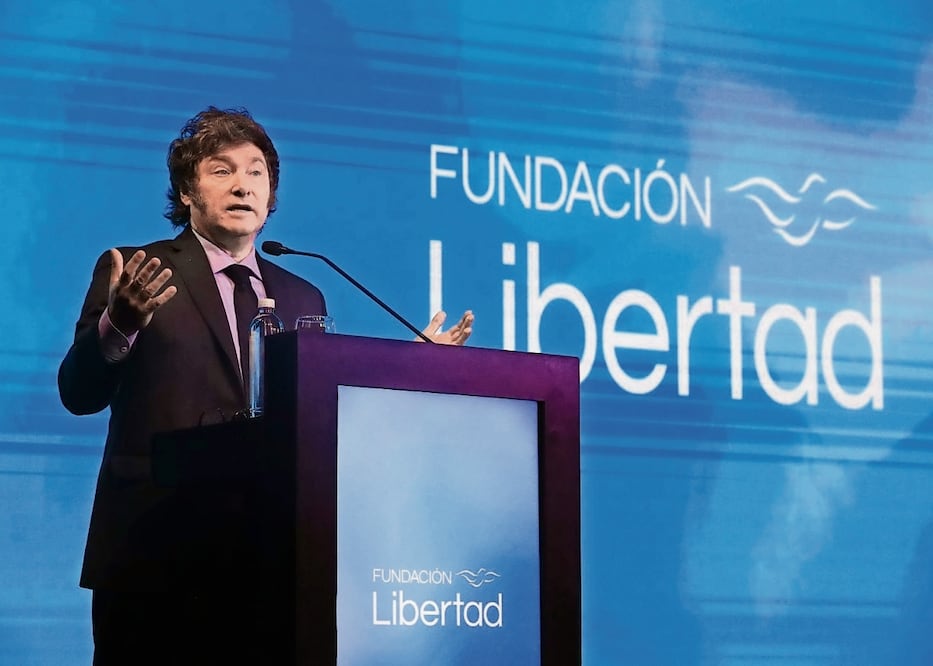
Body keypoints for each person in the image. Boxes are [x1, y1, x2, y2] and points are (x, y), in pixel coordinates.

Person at [58, 106, 473, 665]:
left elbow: (323, 413)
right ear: (187, 190)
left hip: (269, 554)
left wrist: (408, 369)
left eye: (256, 172)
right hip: (153, 552)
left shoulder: (305, 296)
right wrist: (121, 324)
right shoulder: (136, 270)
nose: (243, 185)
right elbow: (79, 393)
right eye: (221, 170)